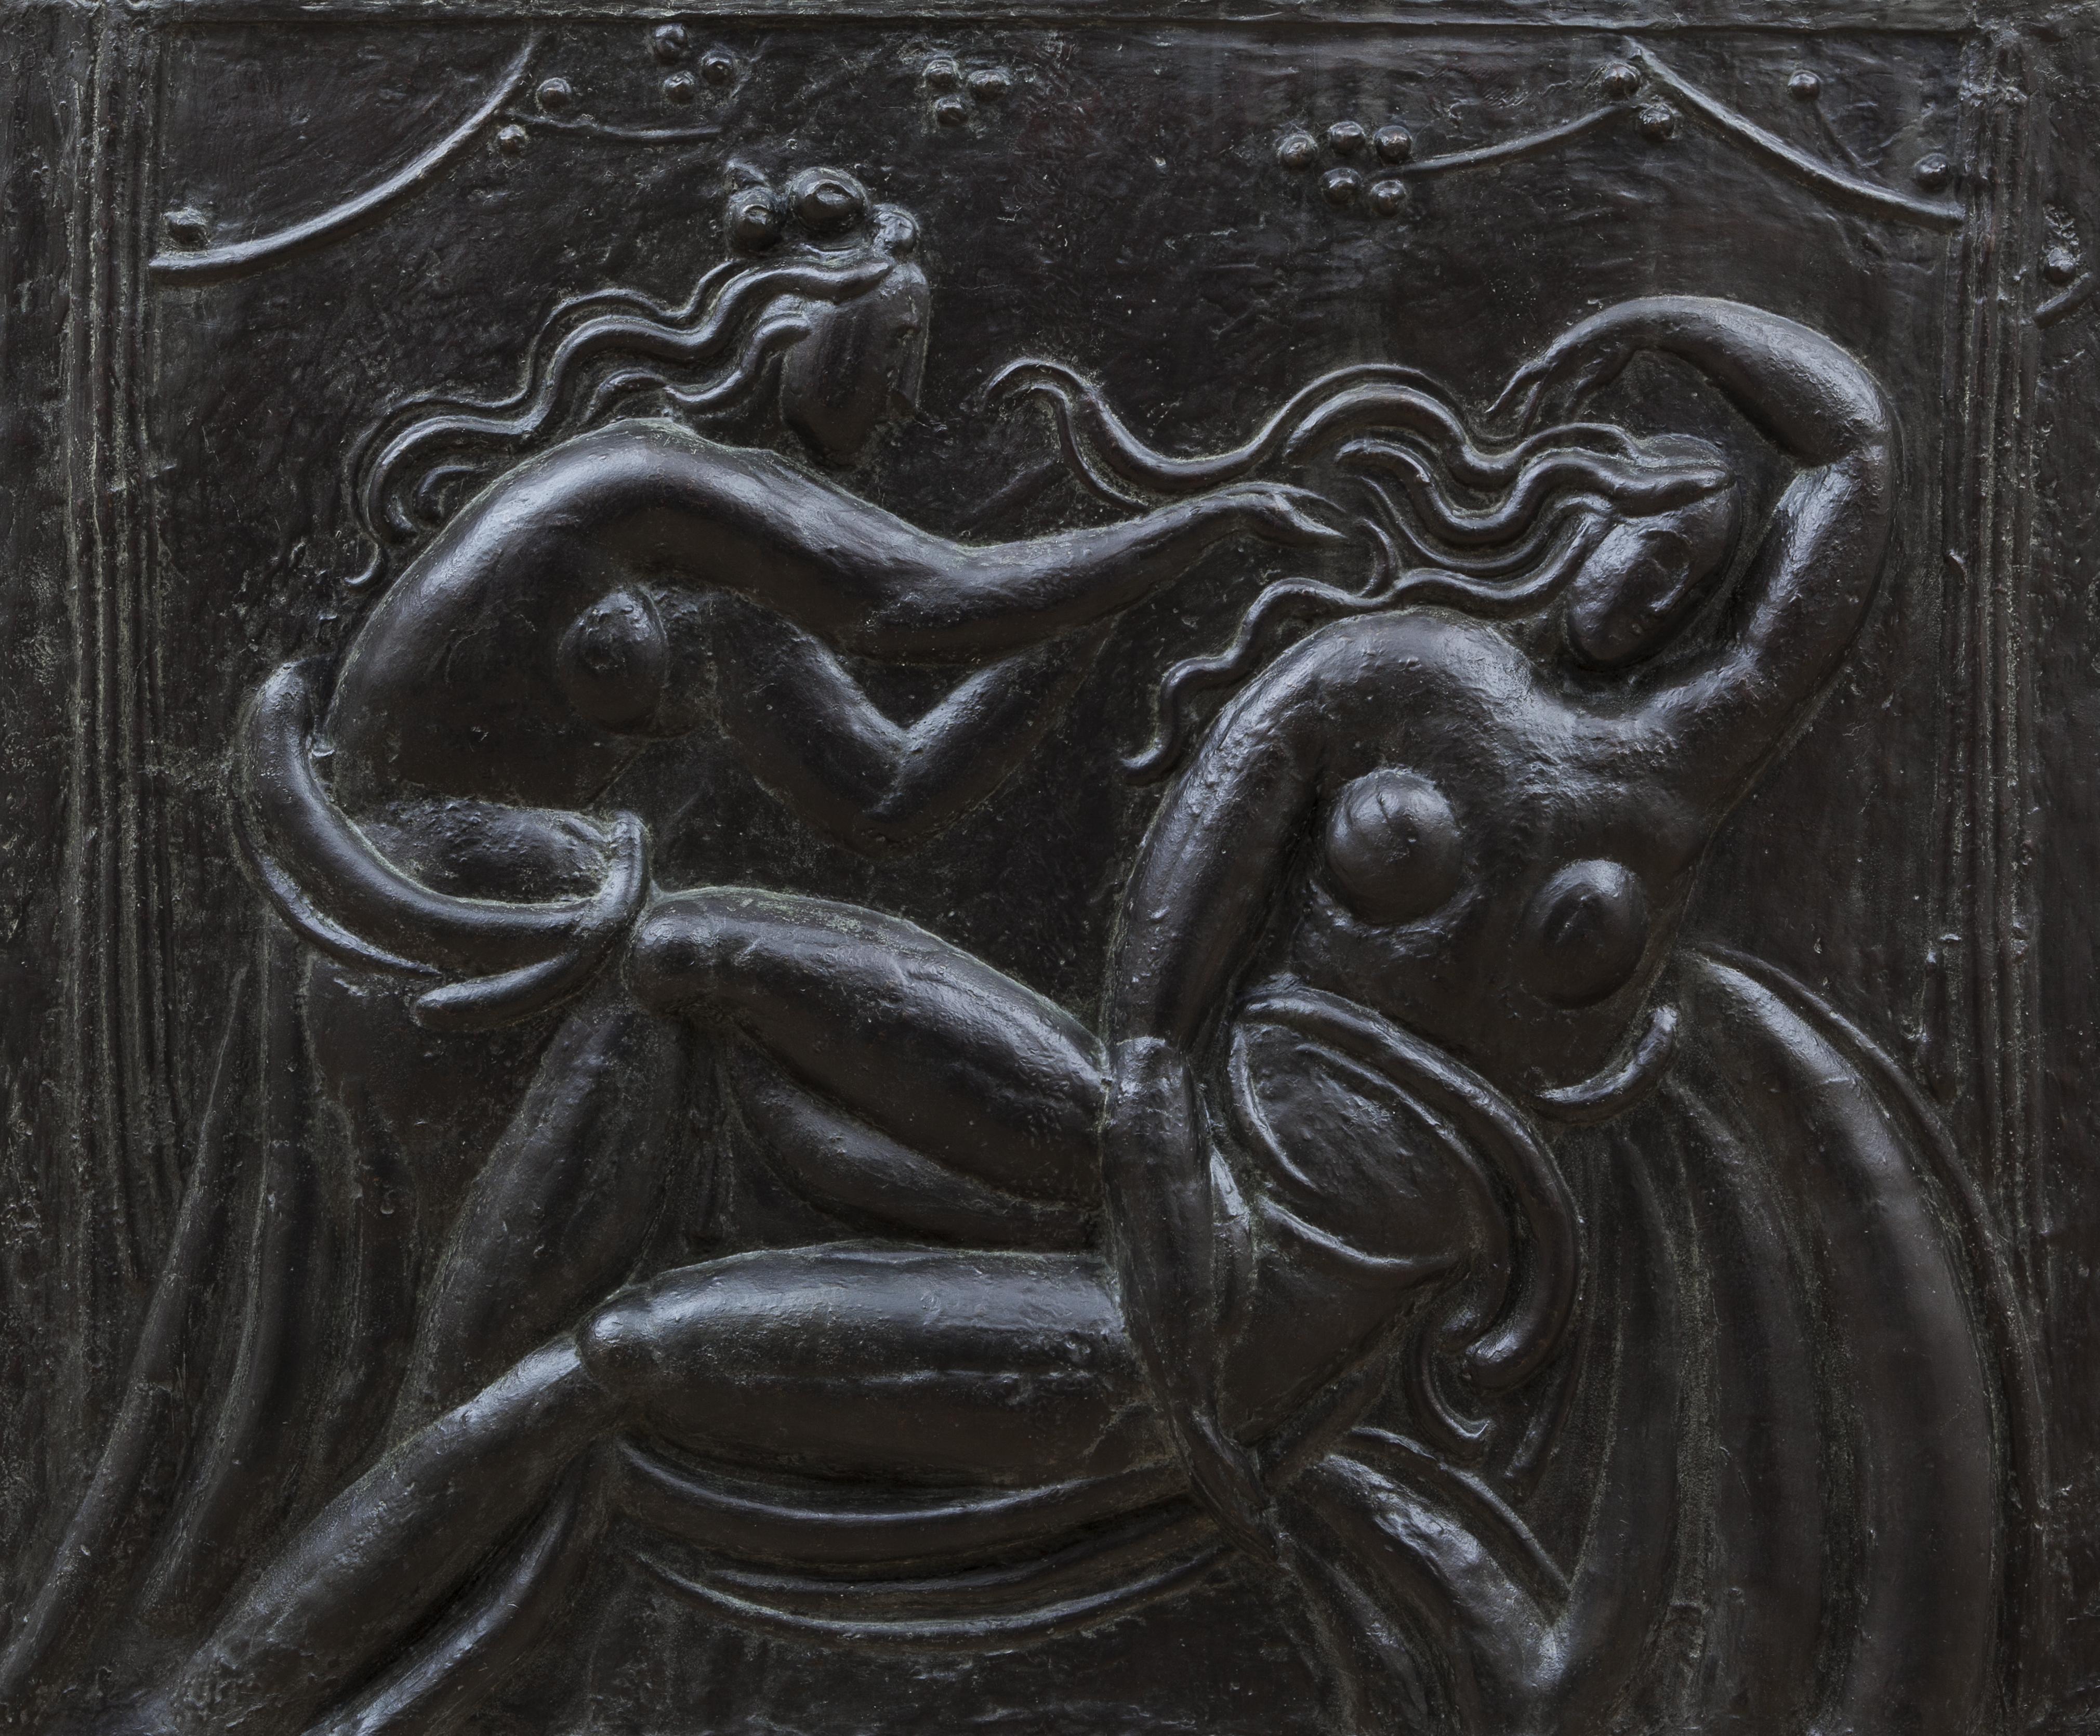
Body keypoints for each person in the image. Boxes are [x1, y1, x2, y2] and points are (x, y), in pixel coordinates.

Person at [121, 299, 2001, 1736]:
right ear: (1551, 530)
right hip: (1146, 1143)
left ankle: (228, 1696)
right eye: (1616, 522)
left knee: (608, 1368)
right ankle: (410, 1392)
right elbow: (1159, 1005)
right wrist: (1158, 1168)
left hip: (1257, 1304)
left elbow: (1850, 462)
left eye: (1683, 552)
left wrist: (1675, 325)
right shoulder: (1383, 672)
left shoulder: (1676, 765)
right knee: (691, 950)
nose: (1640, 566)